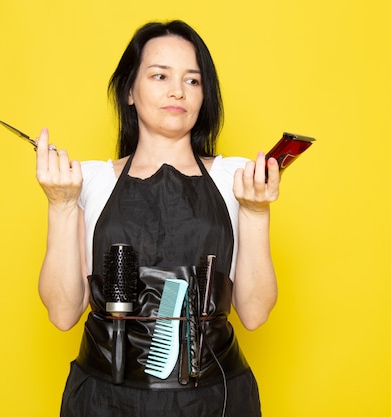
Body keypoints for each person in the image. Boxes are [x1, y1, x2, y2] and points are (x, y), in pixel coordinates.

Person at [34, 20, 280, 417]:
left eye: (193, 80)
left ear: (205, 95)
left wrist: (255, 211)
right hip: (105, 403)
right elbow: (63, 314)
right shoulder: (92, 181)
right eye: (160, 75)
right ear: (130, 90)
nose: (177, 91)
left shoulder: (234, 179)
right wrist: (61, 206)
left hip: (213, 402)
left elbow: (254, 313)